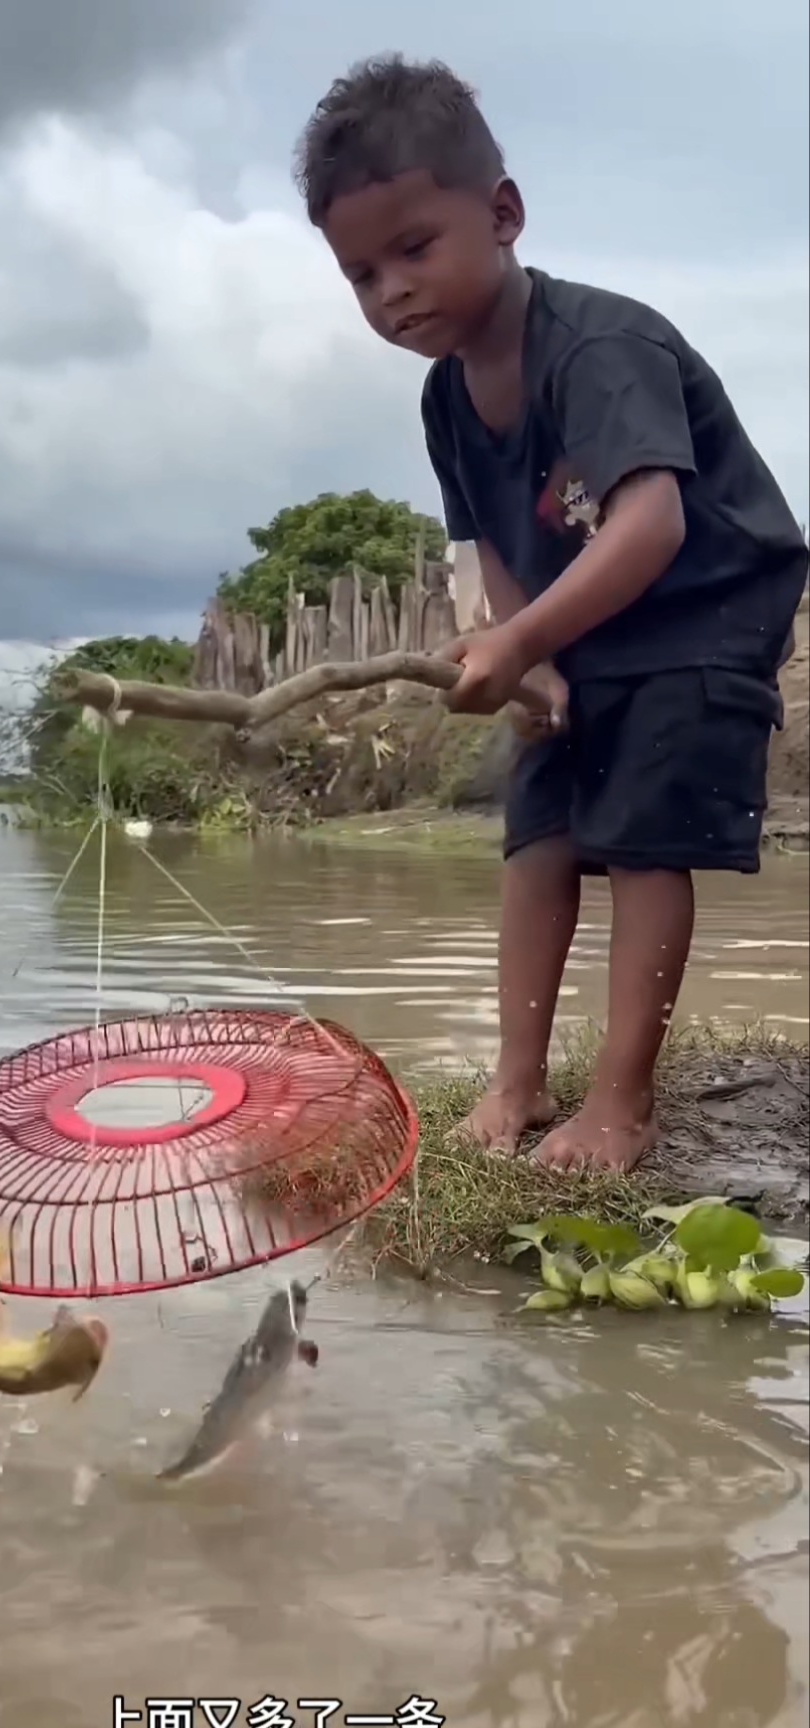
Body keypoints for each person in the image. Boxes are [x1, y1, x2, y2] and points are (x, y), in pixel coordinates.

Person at [294, 54, 809, 1172]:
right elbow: (491, 543)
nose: (393, 292)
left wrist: (524, 638)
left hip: (702, 612)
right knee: (538, 835)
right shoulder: (444, 400)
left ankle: (619, 1106)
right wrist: (529, 658)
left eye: (416, 249)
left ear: (505, 213)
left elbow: (652, 525)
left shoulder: (600, 348)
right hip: (587, 622)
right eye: (362, 274)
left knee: (638, 840)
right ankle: (515, 1085)